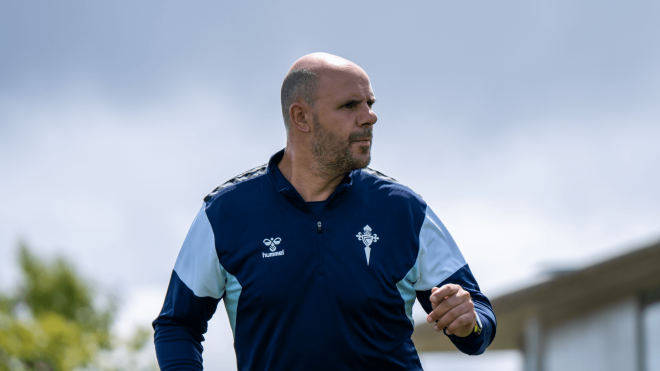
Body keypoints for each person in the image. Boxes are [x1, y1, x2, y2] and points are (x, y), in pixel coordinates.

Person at [152, 53, 496, 371]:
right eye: (350, 106)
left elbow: (479, 322)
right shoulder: (226, 212)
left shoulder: (403, 209)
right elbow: (177, 324)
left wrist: (470, 322)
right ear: (301, 116)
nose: (370, 116)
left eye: (370, 103)